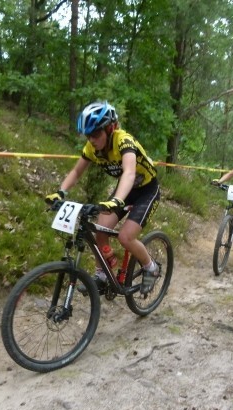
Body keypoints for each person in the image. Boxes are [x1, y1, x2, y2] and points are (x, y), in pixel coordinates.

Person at [45, 101, 160, 294]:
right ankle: (103, 276)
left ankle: (151, 268)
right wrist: (61, 192)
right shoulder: (92, 148)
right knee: (100, 230)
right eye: (88, 135)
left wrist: (117, 200)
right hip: (126, 190)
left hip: (147, 191)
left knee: (125, 237)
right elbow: (76, 172)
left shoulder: (123, 141)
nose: (91, 140)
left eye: (96, 134)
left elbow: (129, 173)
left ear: (110, 128)